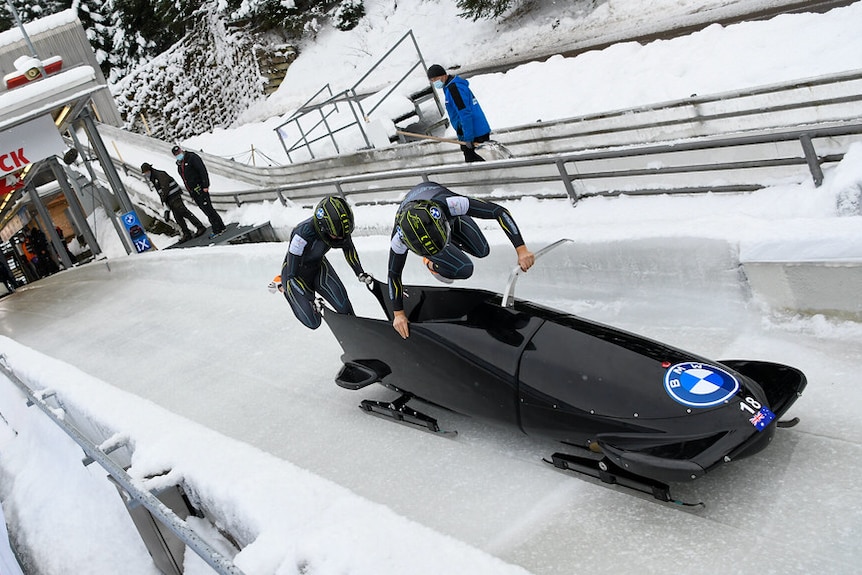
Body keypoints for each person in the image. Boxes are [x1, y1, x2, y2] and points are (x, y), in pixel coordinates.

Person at [387, 181, 535, 339]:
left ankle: (445, 243)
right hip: (432, 228)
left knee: (482, 250)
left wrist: (521, 249)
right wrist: (399, 314)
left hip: (445, 213)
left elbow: (499, 212)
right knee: (464, 268)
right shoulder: (399, 238)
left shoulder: (451, 204)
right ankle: (430, 262)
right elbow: (393, 274)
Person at [275, 195, 371, 330]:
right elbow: (292, 276)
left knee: (346, 310)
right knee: (313, 322)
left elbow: (348, 249)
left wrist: (360, 272)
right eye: (336, 235)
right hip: (295, 275)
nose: (340, 239)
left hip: (318, 266)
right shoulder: (301, 234)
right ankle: (283, 288)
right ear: (323, 228)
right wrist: (310, 298)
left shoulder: (341, 232)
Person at [427, 64, 491, 163]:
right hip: (470, 131)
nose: (434, 82)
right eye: (432, 80)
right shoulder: (450, 87)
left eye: (435, 79)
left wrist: (468, 138)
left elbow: (465, 113)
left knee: (476, 163)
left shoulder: (454, 89)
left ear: (443, 75)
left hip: (475, 133)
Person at [141, 162, 206, 242]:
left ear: (149, 170)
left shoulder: (159, 175)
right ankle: (186, 233)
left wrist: (164, 200)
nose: (146, 175)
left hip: (174, 196)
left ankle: (200, 227)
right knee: (178, 217)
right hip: (170, 198)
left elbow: (165, 188)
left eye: (146, 173)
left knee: (184, 212)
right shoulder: (154, 177)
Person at [172, 145, 226, 237]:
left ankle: (217, 229)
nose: (178, 155)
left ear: (181, 150)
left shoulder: (192, 158)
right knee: (206, 209)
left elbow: (202, 170)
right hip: (194, 191)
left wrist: (205, 185)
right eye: (176, 154)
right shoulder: (179, 166)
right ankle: (220, 226)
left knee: (208, 209)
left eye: (179, 152)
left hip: (200, 187)